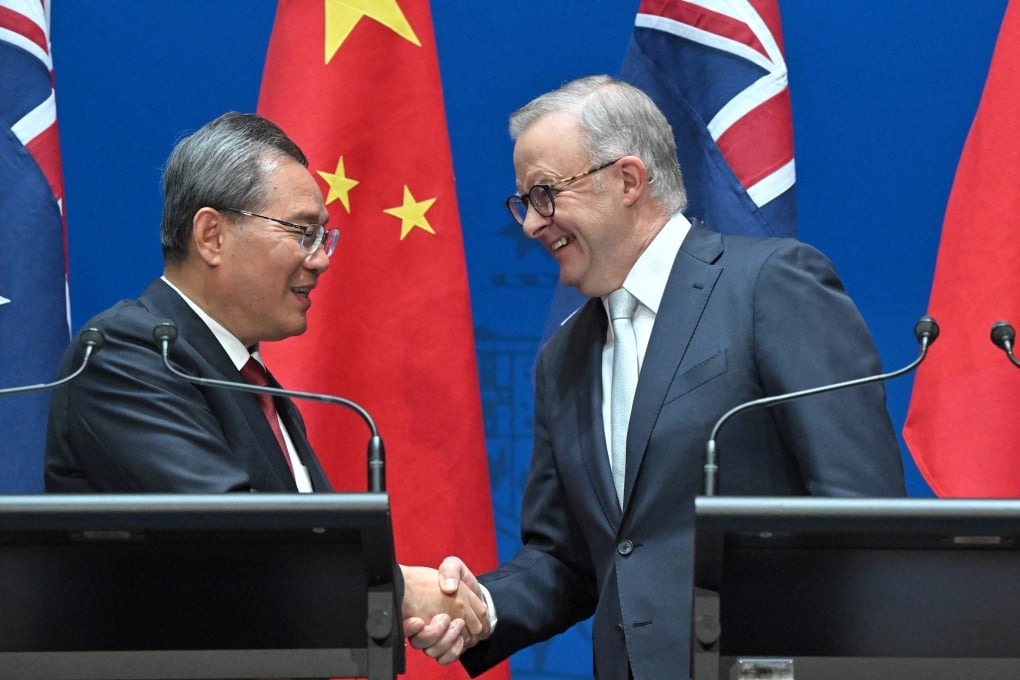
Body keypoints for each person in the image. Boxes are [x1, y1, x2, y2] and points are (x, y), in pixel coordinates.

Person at [406, 75, 906, 678]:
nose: (532, 226)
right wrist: (480, 606)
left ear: (628, 181)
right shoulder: (561, 359)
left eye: (544, 195)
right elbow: (569, 560)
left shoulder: (769, 286)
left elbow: (862, 517)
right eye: (523, 203)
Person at [44, 111, 486, 645]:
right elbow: (233, 537)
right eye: (303, 233)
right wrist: (397, 589)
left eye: (325, 236)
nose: (321, 260)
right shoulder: (126, 356)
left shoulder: (250, 381)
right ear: (211, 236)